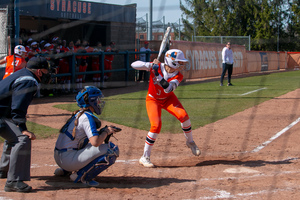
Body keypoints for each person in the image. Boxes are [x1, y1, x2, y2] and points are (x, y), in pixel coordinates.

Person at [131, 49, 201, 168]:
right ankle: (145, 157)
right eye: (180, 62)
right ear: (172, 62)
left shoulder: (178, 75)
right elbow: (134, 65)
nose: (182, 64)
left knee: (184, 116)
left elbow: (168, 89)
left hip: (168, 98)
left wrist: (157, 75)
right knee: (156, 125)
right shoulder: (156, 66)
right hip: (153, 99)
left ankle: (190, 142)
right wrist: (149, 65)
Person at [0, 56, 53, 192]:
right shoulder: (29, 81)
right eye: (46, 71)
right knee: (22, 139)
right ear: (39, 72)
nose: (48, 74)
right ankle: (14, 181)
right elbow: (18, 108)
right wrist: (23, 128)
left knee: (13, 135)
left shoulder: (22, 74)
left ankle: (3, 170)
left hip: (3, 116)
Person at [53, 86, 121, 186]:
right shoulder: (87, 117)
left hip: (60, 157)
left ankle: (65, 171)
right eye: (98, 99)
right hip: (68, 160)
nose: (100, 102)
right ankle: (81, 177)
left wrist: (102, 132)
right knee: (112, 149)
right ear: (92, 101)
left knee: (82, 143)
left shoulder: (79, 114)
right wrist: (106, 132)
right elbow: (95, 142)